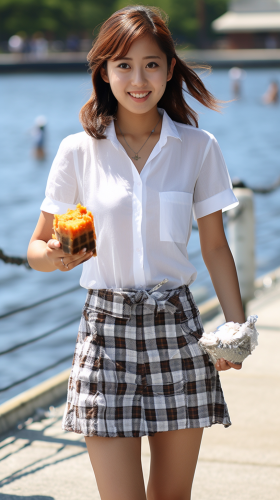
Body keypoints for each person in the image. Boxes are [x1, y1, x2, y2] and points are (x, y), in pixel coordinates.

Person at [27, 6, 245, 500]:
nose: (137, 78)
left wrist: (234, 328)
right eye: (123, 64)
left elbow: (215, 246)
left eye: (151, 64)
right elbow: (36, 248)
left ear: (170, 70)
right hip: (104, 335)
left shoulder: (199, 147)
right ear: (103, 71)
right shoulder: (77, 151)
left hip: (177, 330)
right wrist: (60, 255)